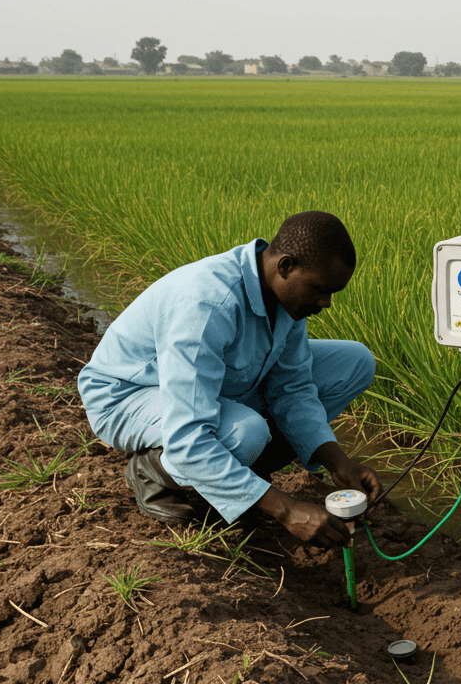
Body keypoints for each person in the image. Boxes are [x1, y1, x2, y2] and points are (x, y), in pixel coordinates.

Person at [77, 211, 381, 549]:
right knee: (245, 433)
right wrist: (286, 509)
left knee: (354, 362)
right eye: (320, 290)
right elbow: (188, 434)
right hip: (128, 394)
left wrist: (339, 462)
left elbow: (292, 388)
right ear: (285, 266)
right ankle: (154, 471)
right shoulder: (206, 304)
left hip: (208, 384)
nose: (325, 304)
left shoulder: (286, 298)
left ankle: (235, 478)